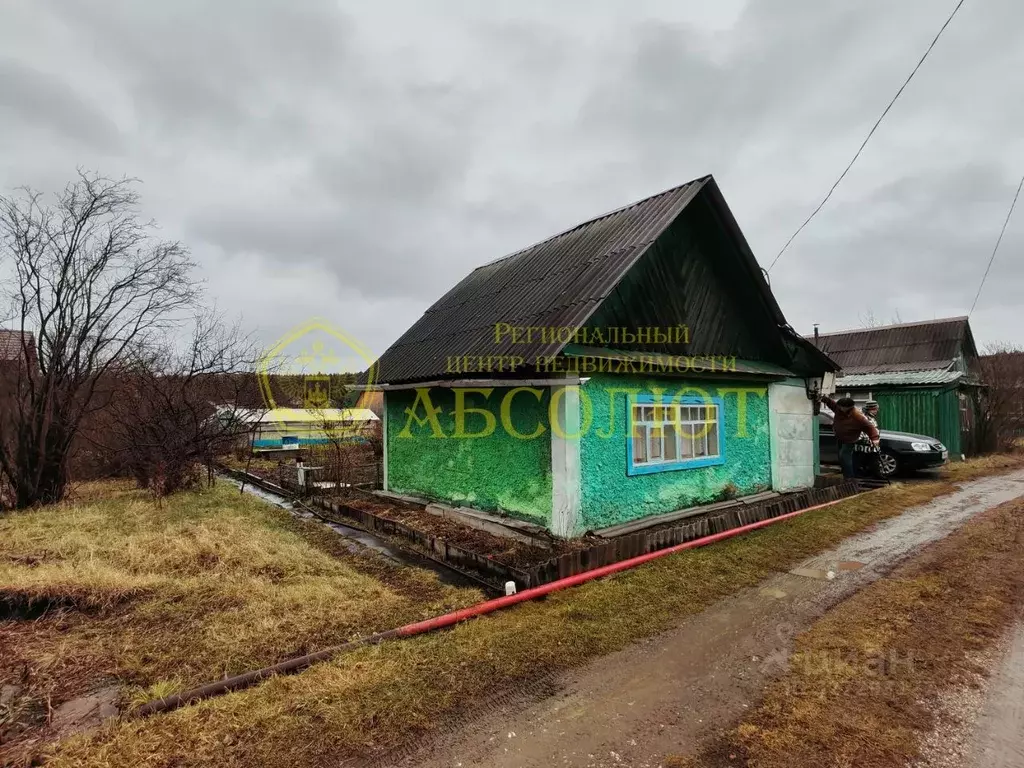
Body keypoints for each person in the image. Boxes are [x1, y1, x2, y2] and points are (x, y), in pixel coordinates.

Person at [820, 395, 880, 479]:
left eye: (842, 407)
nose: (840, 408)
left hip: (850, 439)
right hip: (839, 438)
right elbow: (831, 403)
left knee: (844, 457)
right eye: (839, 406)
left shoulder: (857, 416)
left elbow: (870, 428)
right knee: (841, 458)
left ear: (848, 407)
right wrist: (823, 398)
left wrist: (874, 439)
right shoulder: (838, 409)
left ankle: (850, 479)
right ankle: (846, 475)